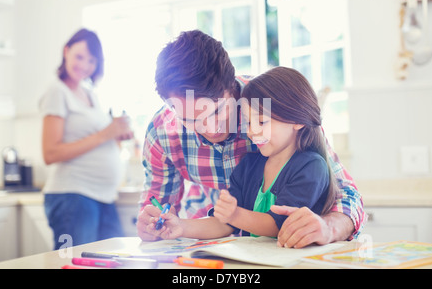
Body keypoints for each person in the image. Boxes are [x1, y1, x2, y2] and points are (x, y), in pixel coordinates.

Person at [137, 30, 365, 248]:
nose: (210, 129)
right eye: (190, 120)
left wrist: (329, 227)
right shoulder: (162, 133)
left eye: (216, 111)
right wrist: (152, 224)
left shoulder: (274, 103)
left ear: (232, 86)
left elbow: (345, 193)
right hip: (215, 239)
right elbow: (160, 207)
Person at [143, 66, 339, 240]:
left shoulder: (311, 166)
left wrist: (234, 214)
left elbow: (279, 225)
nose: (252, 131)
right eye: (248, 122)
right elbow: (223, 223)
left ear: (298, 120)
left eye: (261, 122)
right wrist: (181, 226)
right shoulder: (249, 165)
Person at [39, 28, 133, 249]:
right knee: (78, 264)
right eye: (79, 57)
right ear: (66, 51)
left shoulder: (89, 93)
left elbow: (98, 138)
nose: (84, 65)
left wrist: (117, 133)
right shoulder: (57, 91)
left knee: (116, 260)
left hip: (103, 196)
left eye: (91, 60)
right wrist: (105, 134)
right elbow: (50, 153)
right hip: (74, 196)